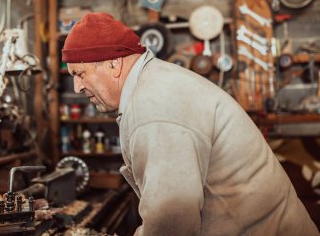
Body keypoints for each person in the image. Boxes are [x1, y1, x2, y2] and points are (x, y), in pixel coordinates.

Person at [61, 12, 319, 236]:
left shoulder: (154, 104)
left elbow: (172, 222)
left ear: (114, 63)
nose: (77, 87)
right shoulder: (156, 84)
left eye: (80, 74)